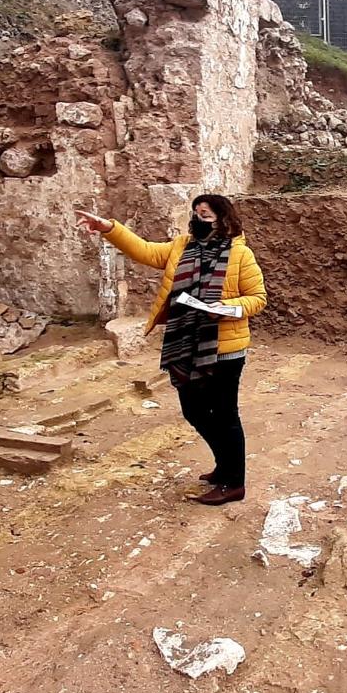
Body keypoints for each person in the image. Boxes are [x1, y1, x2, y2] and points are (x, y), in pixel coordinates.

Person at [75, 196, 267, 505]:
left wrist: (225, 307)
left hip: (224, 348)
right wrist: (109, 228)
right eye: (195, 213)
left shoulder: (240, 255)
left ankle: (234, 483)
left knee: (225, 414)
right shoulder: (181, 246)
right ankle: (224, 466)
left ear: (222, 219)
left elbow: (258, 298)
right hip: (184, 344)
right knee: (194, 410)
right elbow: (146, 250)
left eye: (205, 214)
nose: (197, 219)